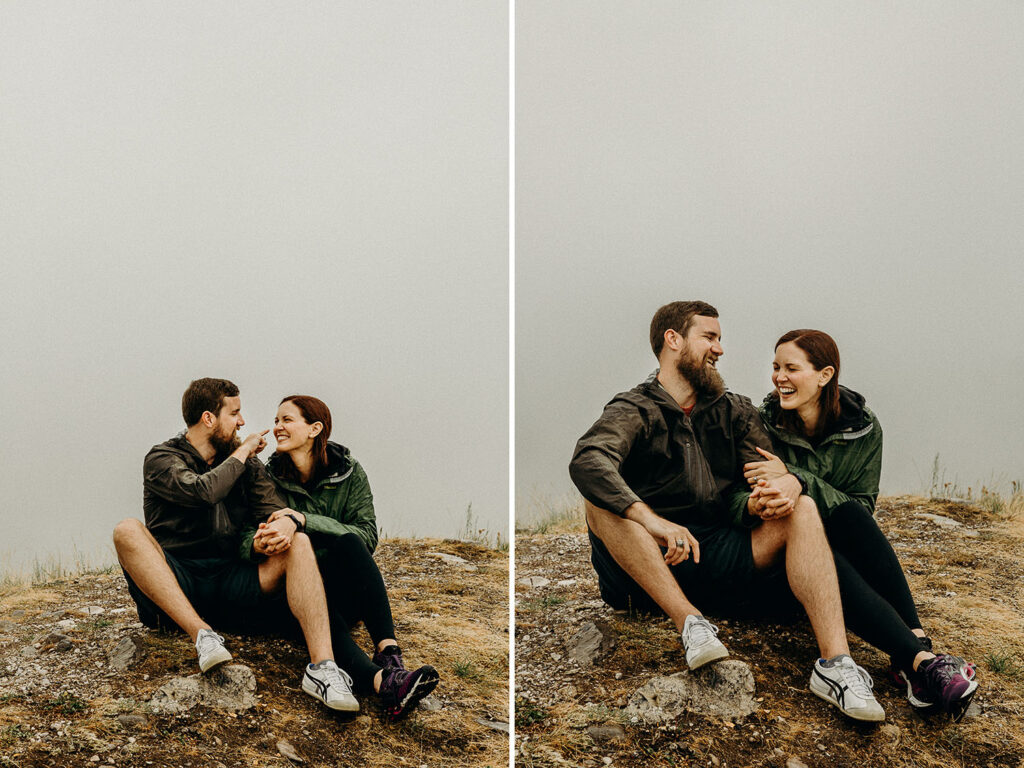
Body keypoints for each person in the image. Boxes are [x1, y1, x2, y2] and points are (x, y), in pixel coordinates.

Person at [570, 300, 889, 722]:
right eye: (710, 337)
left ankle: (835, 666)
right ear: (673, 340)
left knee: (802, 506)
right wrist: (652, 521)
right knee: (597, 500)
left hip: (719, 552)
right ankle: (690, 625)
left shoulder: (733, 410)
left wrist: (762, 499)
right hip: (646, 567)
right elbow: (589, 459)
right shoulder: (634, 410)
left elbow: (762, 471)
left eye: (720, 339)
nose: (720, 349)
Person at [744, 329, 978, 719]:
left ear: (824, 375)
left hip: (841, 535)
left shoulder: (863, 427)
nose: (779, 377)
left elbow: (862, 508)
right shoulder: (760, 424)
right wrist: (791, 483)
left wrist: (797, 477)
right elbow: (760, 490)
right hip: (783, 550)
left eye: (791, 368)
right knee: (823, 546)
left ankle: (915, 657)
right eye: (775, 367)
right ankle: (921, 659)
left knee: (849, 517)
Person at [112, 378, 359, 713]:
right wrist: (243, 452)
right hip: (176, 581)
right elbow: (202, 492)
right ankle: (203, 636)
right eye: (235, 413)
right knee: (127, 530)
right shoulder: (162, 459)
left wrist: (278, 528)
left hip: (231, 579)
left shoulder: (246, 465)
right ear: (209, 418)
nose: (242, 422)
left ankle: (323, 669)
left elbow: (272, 511)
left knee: (297, 541)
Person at [238, 395, 439, 720]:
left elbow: (366, 535)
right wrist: (260, 543)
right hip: (293, 593)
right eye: (276, 421)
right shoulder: (266, 477)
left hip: (341, 582)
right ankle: (386, 685)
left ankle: (389, 653)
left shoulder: (349, 472)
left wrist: (303, 520)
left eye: (287, 420)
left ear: (315, 428)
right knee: (316, 606)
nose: (277, 428)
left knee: (349, 543)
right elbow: (244, 534)